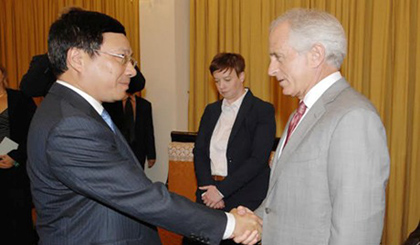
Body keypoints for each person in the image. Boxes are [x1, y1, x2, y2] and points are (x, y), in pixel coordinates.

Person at [26, 8, 262, 245]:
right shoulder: (70, 124)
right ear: (77, 59)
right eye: (122, 57)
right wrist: (229, 224)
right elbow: (140, 196)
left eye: (131, 60)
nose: (131, 70)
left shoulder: (71, 110)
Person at [251, 8, 390, 244]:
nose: (270, 69)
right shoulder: (302, 113)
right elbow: (284, 199)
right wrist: (250, 221)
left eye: (278, 56)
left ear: (315, 55)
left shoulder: (354, 118)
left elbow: (356, 234)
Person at [187, 53, 275, 245]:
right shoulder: (211, 111)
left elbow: (258, 159)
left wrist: (221, 191)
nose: (221, 86)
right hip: (208, 193)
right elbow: (200, 151)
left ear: (241, 76)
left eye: (227, 79)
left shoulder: (262, 110)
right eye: (217, 81)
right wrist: (209, 188)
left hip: (244, 195)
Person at [0, 65, 38, 244]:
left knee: (20, 226)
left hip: (17, 170)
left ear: (3, 75)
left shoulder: (20, 99)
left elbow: (34, 133)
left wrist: (15, 156)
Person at [103, 72, 156, 169]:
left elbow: (148, 130)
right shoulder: (111, 104)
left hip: (139, 151)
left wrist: (151, 155)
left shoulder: (145, 105)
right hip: (118, 150)